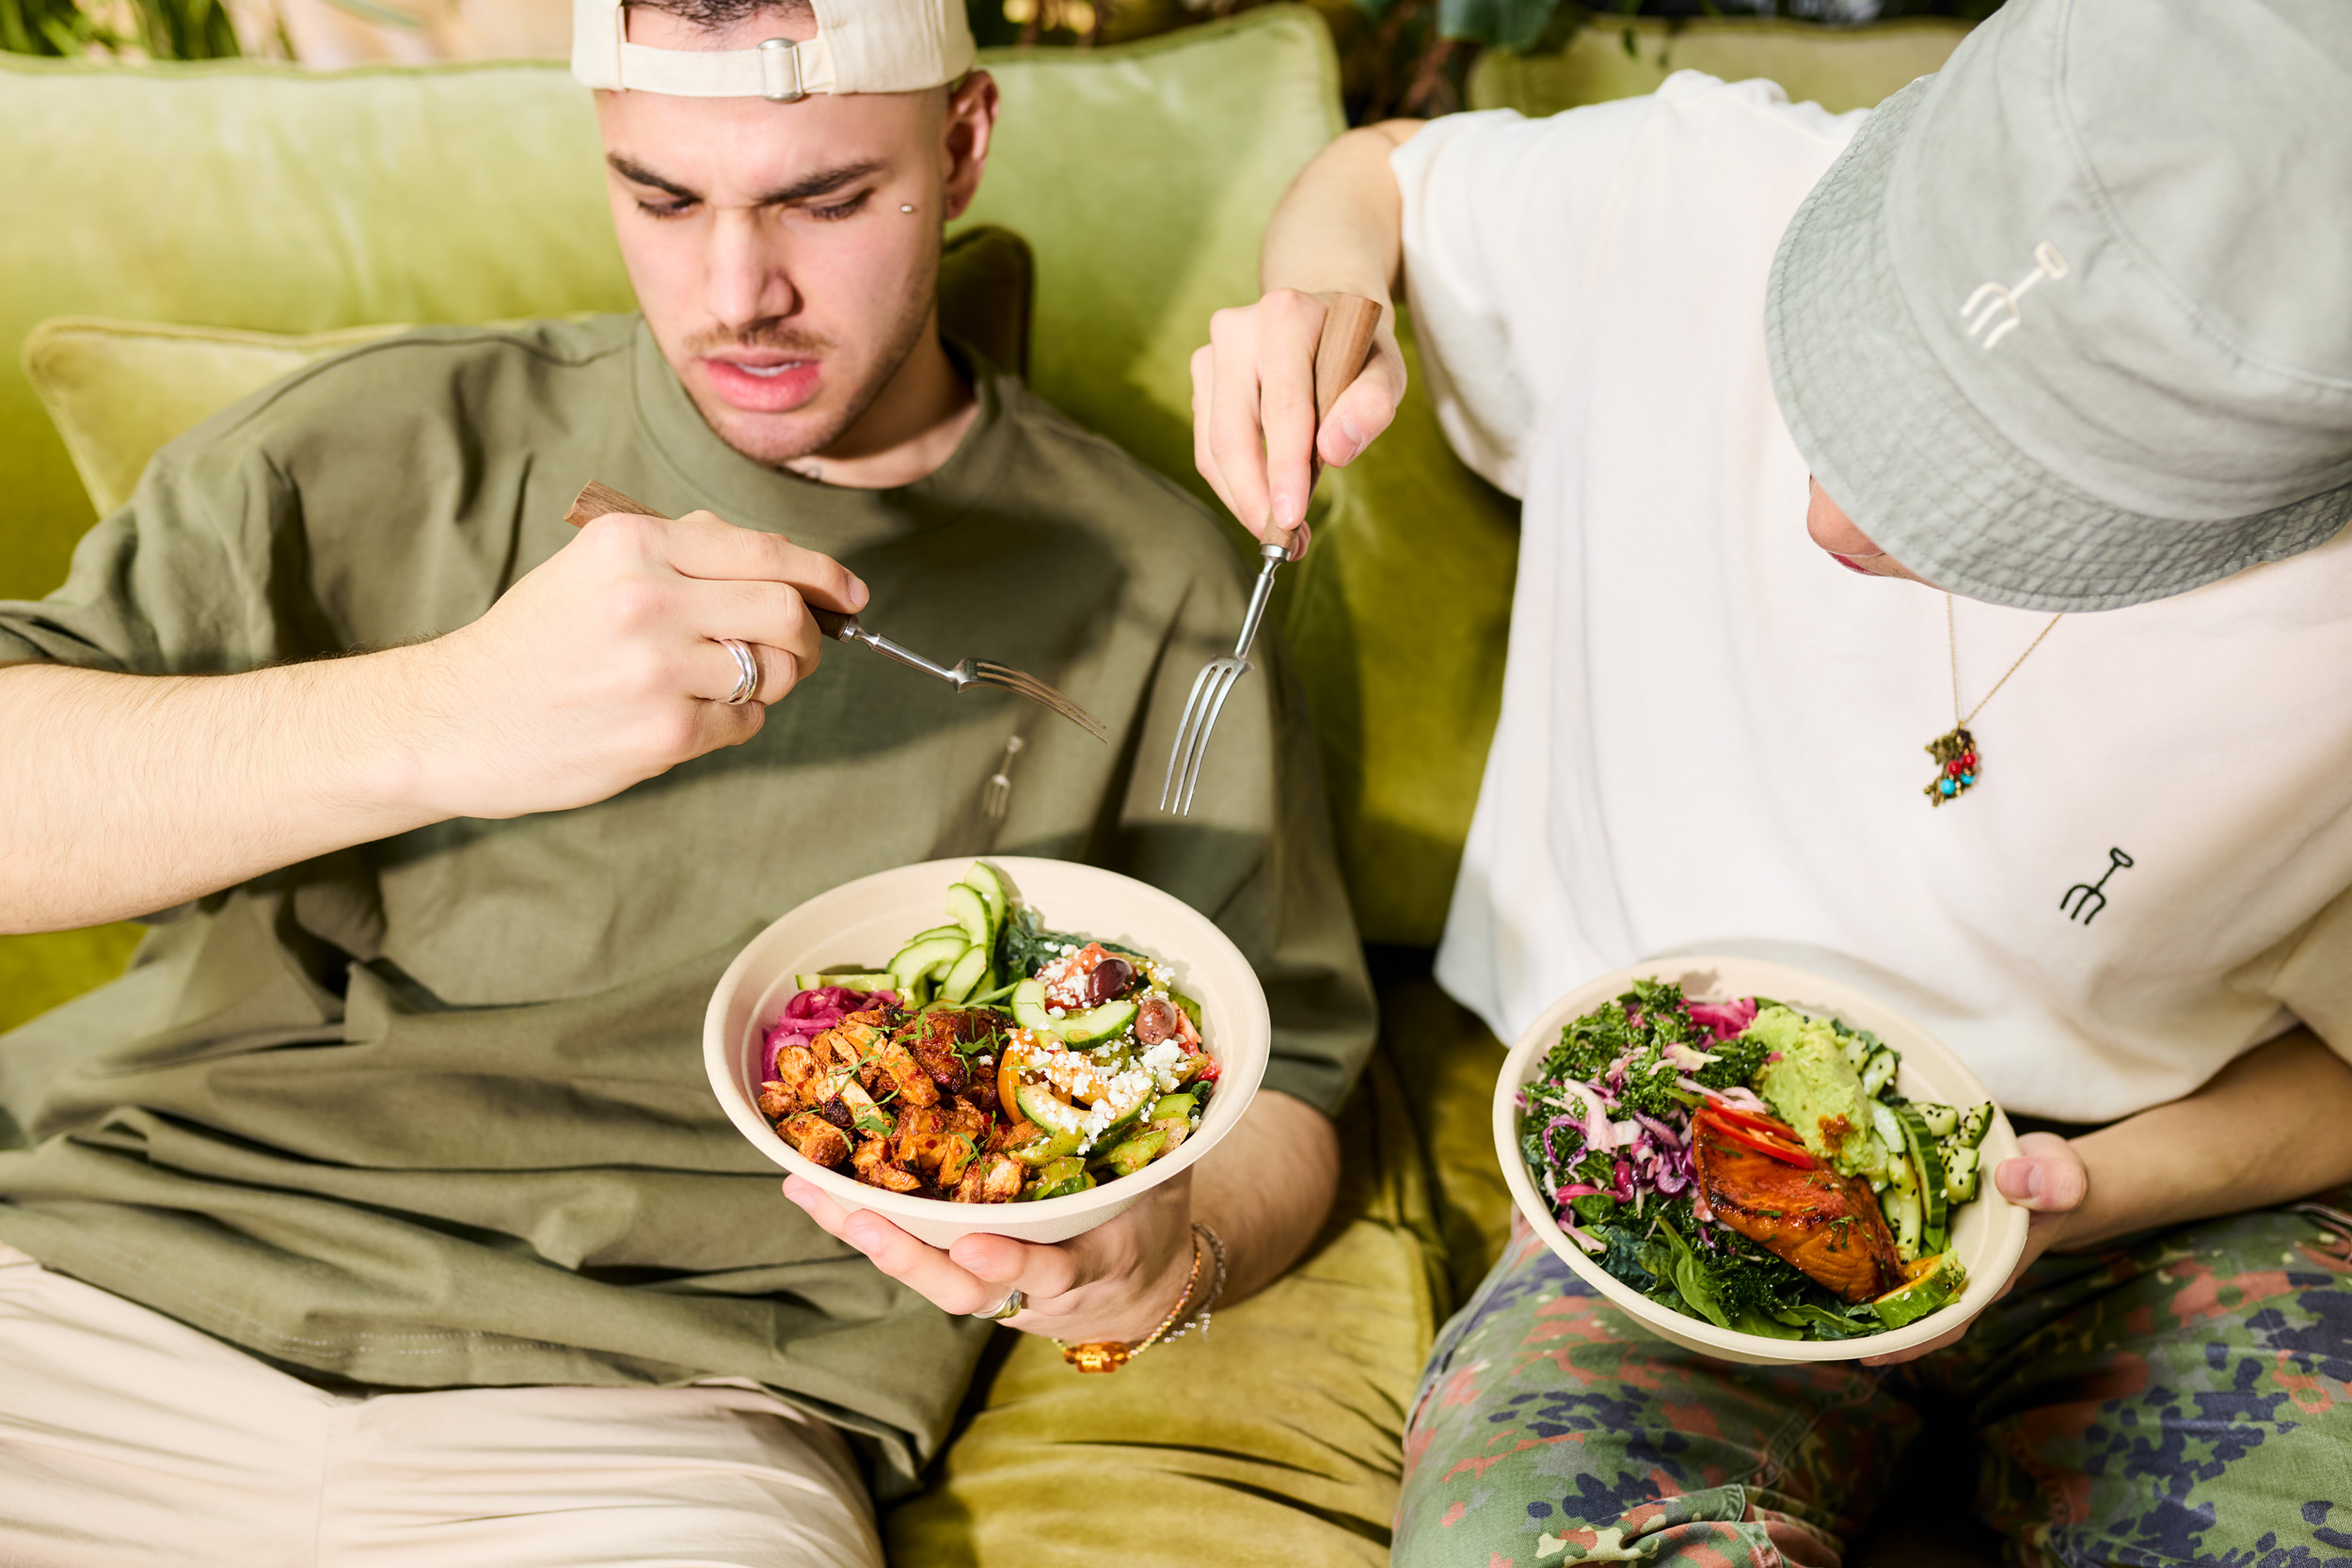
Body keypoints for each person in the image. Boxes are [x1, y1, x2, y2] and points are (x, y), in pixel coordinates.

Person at [0, 0, 1373, 1558]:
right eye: (661, 197)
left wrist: (1160, 1268)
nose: (737, 297)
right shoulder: (369, 446)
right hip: (106, 1284)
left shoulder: (1158, 583)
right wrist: (444, 712)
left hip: (676, 1419)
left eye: (826, 200)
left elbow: (1289, 1079)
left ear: (963, 143)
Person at [1193, 0, 2352, 1560]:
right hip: (1659, 1163)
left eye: (2011, 499)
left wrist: (2086, 1187)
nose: (1834, 517)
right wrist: (1321, 296)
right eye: (1868, 372)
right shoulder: (1699, 193)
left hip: (2169, 1203)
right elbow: (1382, 177)